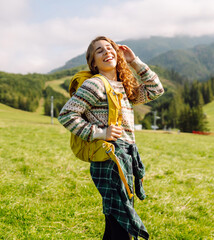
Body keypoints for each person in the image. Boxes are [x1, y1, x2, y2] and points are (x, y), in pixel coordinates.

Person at [58, 36, 164, 240]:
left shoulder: (122, 87)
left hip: (125, 156)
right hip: (109, 159)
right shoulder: (96, 84)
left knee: (117, 223)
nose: (107, 52)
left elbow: (155, 89)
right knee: (120, 223)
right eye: (99, 51)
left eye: (110, 48)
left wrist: (134, 61)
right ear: (93, 63)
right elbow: (66, 115)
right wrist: (100, 133)